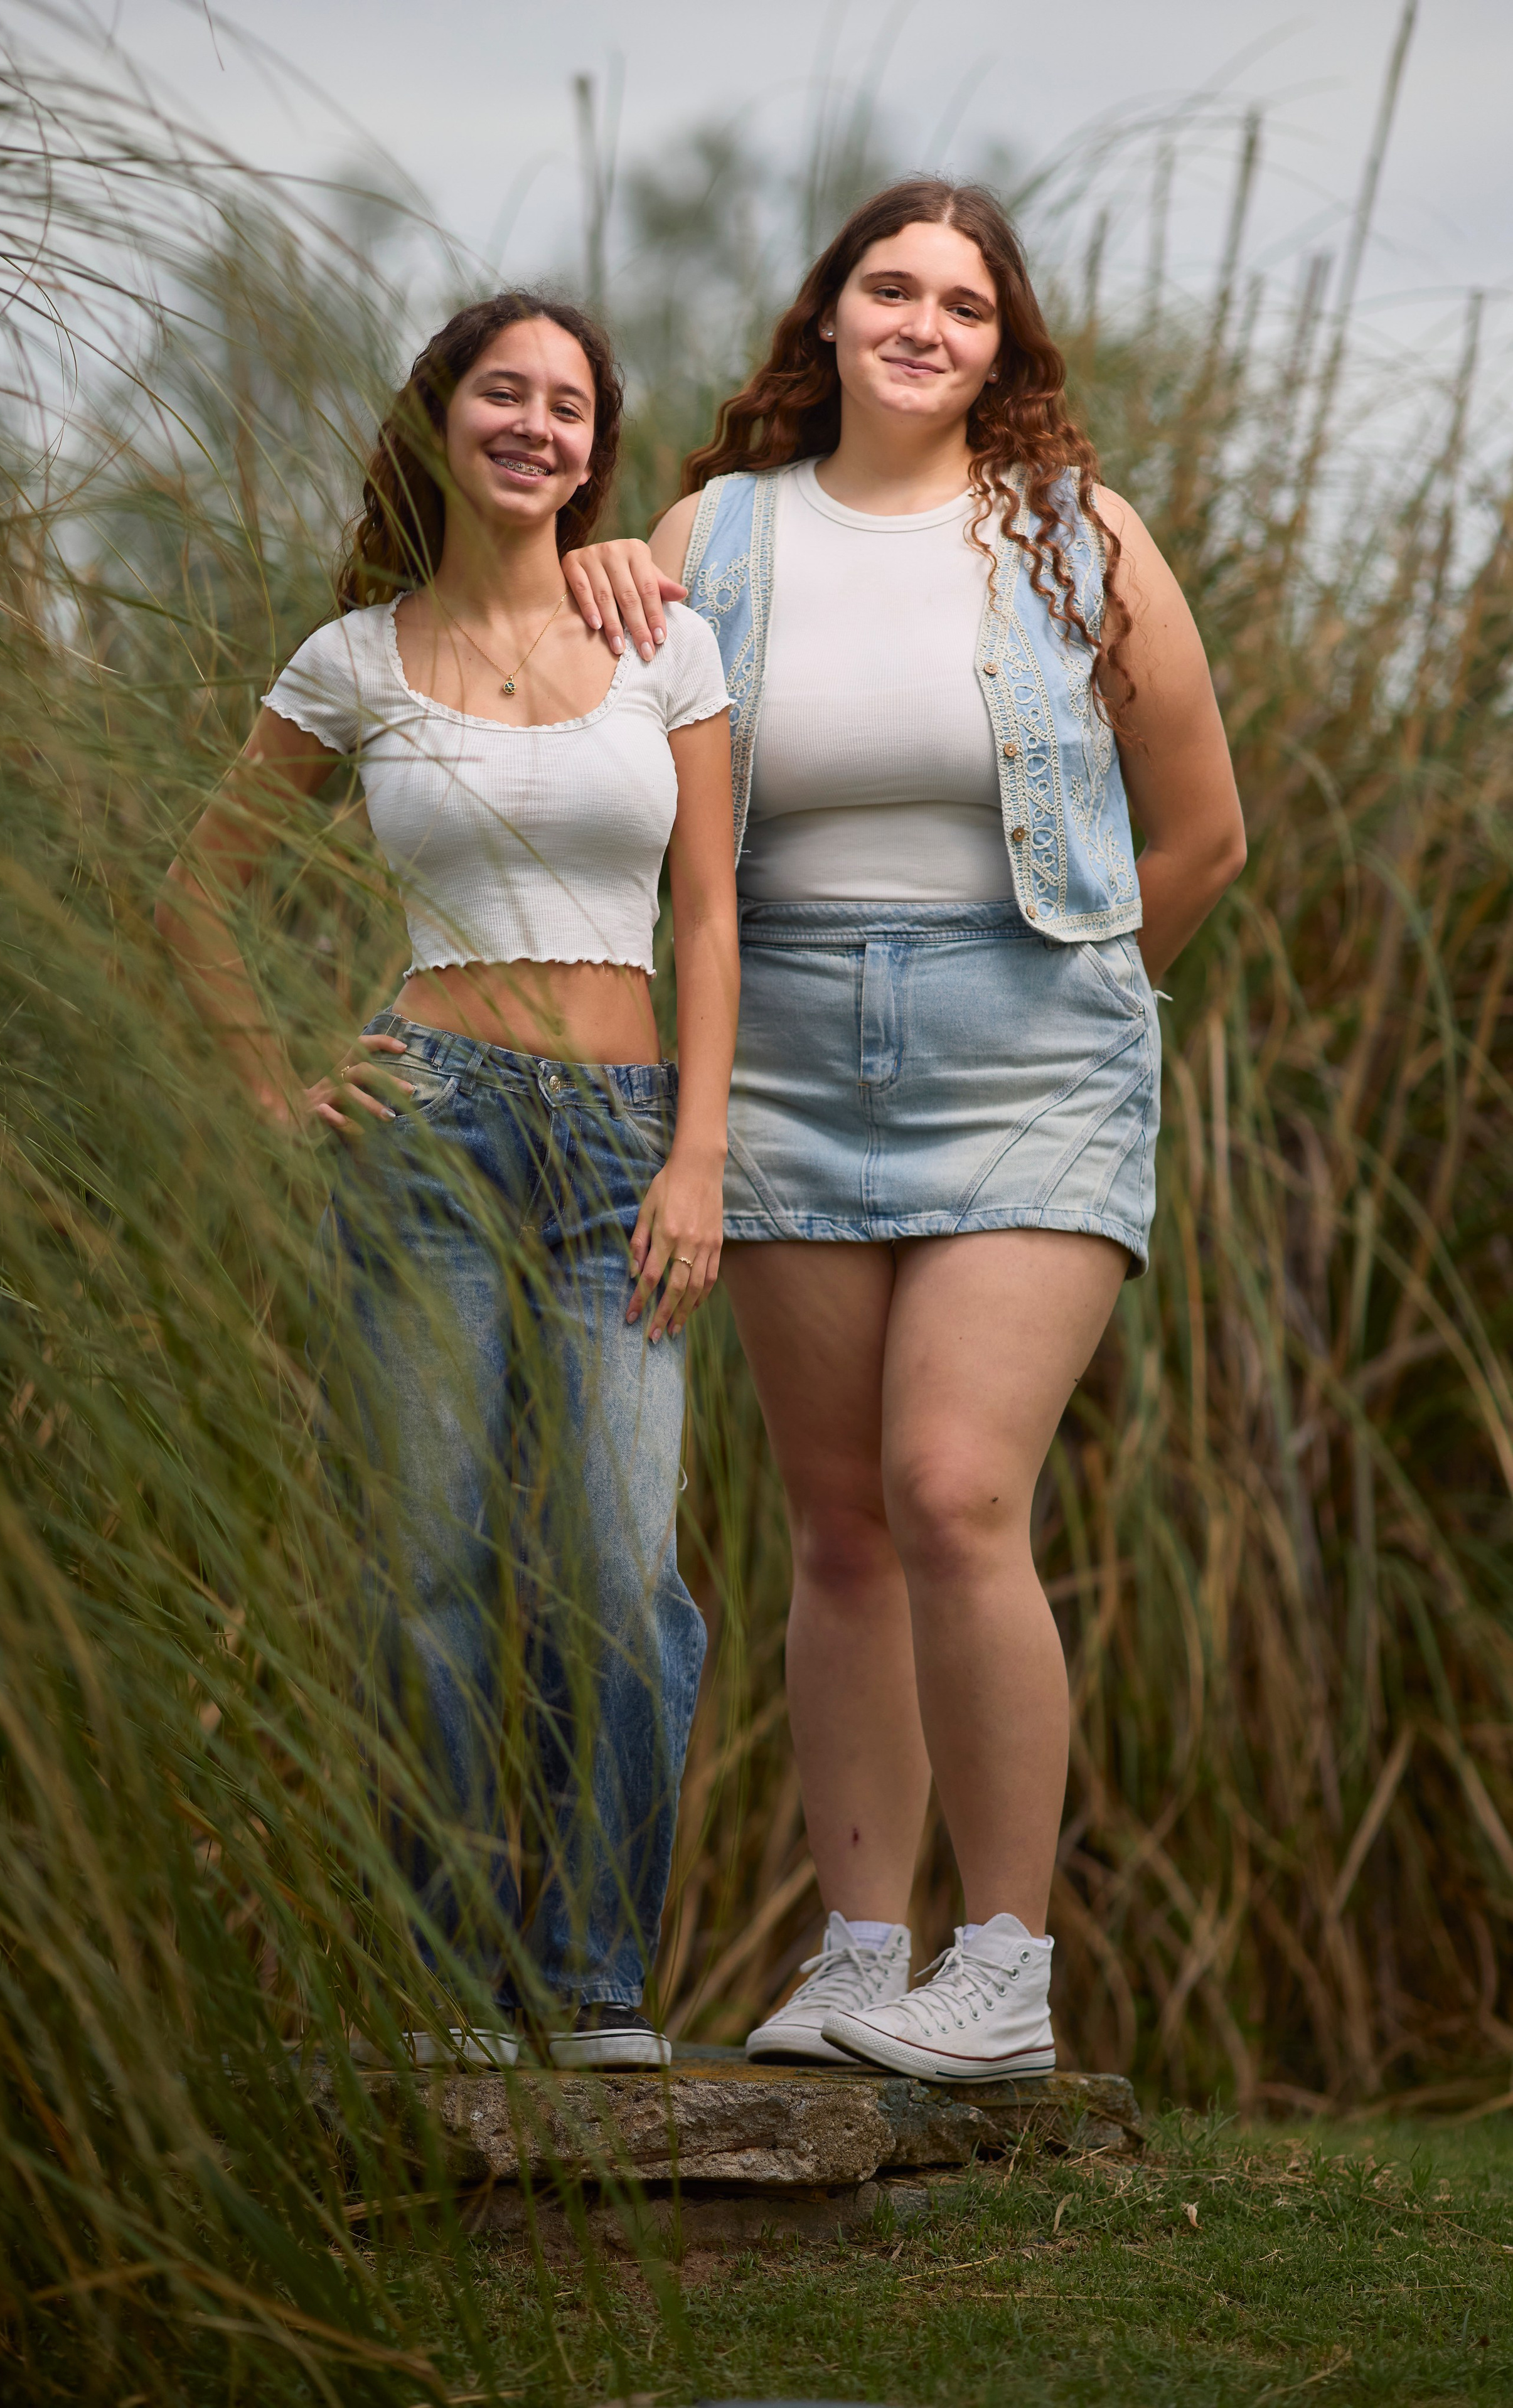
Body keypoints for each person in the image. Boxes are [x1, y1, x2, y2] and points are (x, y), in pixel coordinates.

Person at [559, 181, 1246, 2082]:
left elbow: (1200, 833)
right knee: (840, 1527)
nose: (925, 319)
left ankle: (1001, 1971)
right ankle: (867, 1954)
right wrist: (599, 566)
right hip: (768, 1043)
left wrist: (1081, 1004)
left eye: (965, 299)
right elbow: (605, 746)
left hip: (1023, 1041)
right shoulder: (718, 532)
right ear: (834, 313)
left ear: (1002, 343)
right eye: (892, 284)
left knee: (954, 1491)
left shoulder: (1073, 534)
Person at [158, 293, 738, 2070]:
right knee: (426, 1568)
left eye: (570, 405)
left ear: (596, 446)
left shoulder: (664, 641)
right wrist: (273, 1084)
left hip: (624, 1144)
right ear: (440, 420)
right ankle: (438, 1987)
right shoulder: (349, 659)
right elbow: (194, 895)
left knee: (621, 1574)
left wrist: (702, 1152)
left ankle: (592, 1983)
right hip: (425, 1131)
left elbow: (712, 914)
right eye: (506, 391)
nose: (537, 426)